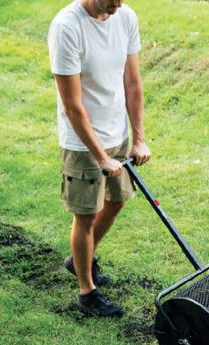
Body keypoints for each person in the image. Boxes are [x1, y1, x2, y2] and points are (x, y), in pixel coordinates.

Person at [48, 0, 151, 317]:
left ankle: (79, 259)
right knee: (86, 215)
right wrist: (100, 157)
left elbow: (132, 81)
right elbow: (72, 105)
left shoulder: (125, 16)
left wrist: (139, 138)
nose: (118, 4)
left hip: (117, 134)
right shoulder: (67, 27)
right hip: (83, 143)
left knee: (116, 201)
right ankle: (87, 293)